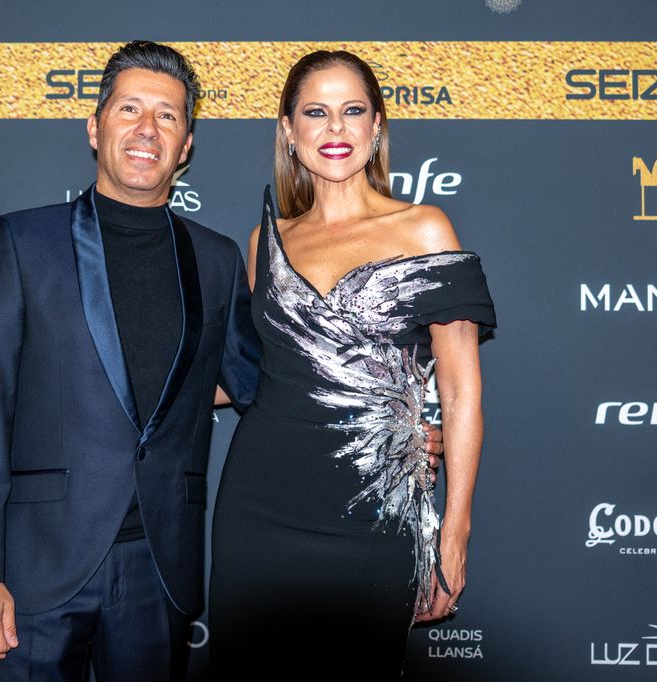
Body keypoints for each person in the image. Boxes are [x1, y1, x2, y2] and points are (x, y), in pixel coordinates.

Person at [0, 41, 261, 682]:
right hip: (36, 567)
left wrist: (379, 431)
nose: (148, 129)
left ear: (186, 144)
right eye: (130, 109)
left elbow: (260, 385)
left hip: (159, 565)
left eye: (168, 116)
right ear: (94, 127)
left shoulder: (218, 259)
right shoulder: (23, 241)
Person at [209, 50, 496, 679]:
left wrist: (455, 531)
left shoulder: (424, 229)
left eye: (352, 111)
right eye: (316, 112)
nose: (334, 129)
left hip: (375, 513)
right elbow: (252, 373)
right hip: (258, 507)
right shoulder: (267, 242)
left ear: (376, 127)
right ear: (289, 129)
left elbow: (460, 389)